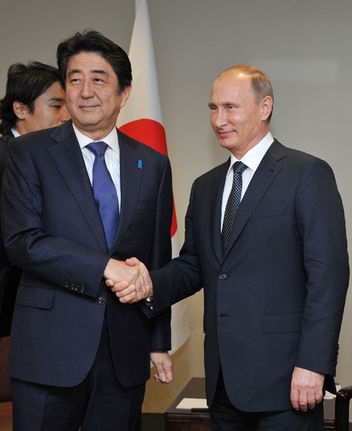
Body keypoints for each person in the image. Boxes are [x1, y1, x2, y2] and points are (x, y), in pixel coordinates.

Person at [111, 65, 349, 431]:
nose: (219, 119)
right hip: (223, 384)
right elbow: (194, 266)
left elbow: (328, 277)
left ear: (265, 107)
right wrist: (147, 281)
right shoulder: (205, 187)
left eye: (230, 107)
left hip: (287, 381)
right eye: (212, 108)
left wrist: (314, 364)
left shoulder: (307, 174)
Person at [1, 30, 173, 430]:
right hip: (49, 352)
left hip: (123, 352)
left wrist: (159, 341)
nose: (85, 91)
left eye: (99, 79)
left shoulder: (152, 164)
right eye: (75, 79)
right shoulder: (29, 153)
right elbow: (22, 242)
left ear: (124, 92)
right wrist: (105, 267)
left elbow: (156, 257)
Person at [0, 61, 70, 353]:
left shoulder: (55, 163)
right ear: (21, 110)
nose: (66, 116)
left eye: (67, 106)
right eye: (56, 105)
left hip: (34, 318)